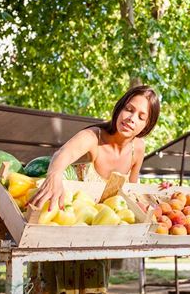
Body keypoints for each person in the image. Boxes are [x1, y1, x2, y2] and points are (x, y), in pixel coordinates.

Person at [28, 85, 160, 293]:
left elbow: (130, 193)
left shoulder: (138, 148)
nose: (131, 118)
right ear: (119, 109)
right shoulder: (93, 137)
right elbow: (63, 155)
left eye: (141, 116)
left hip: (98, 240)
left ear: (146, 125)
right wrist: (54, 175)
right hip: (61, 233)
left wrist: (150, 202)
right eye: (129, 109)